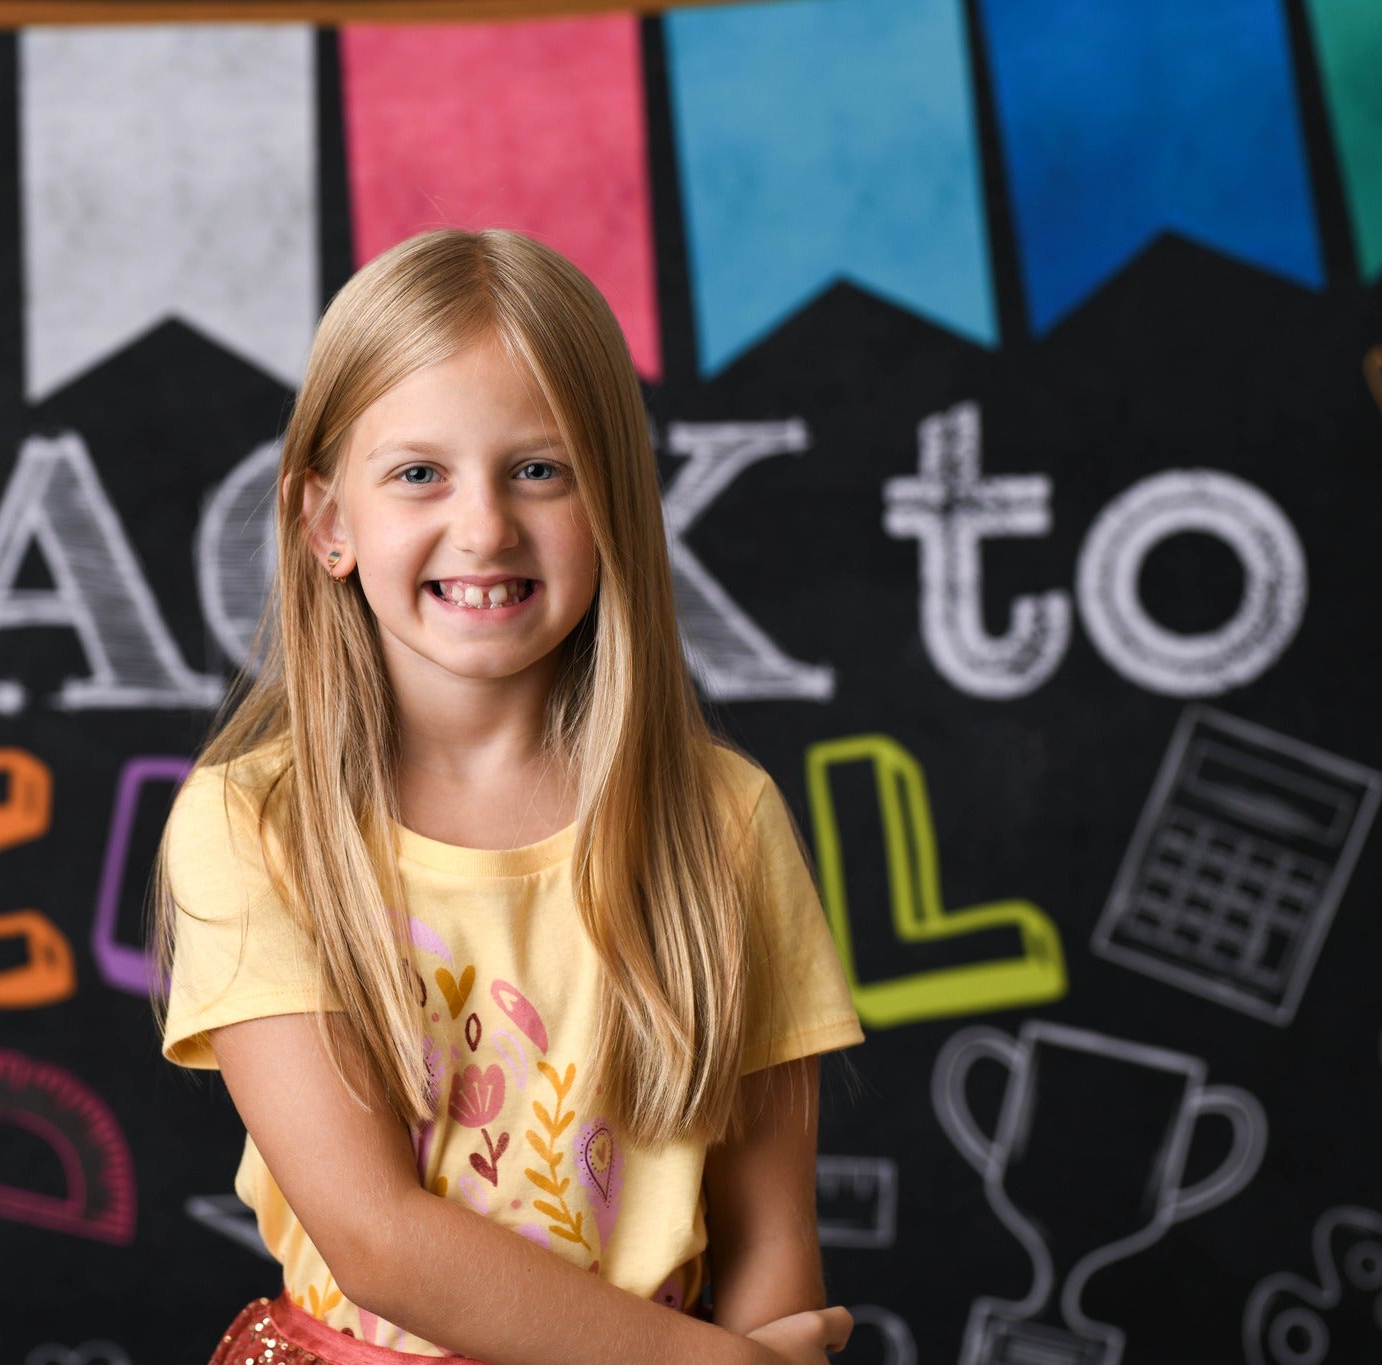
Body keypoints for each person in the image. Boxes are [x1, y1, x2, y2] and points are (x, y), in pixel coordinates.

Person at [150, 227, 865, 1365]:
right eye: (418, 473)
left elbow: (772, 1240)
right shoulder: (252, 826)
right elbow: (377, 1241)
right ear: (328, 524)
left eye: (539, 469)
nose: (482, 526)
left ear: (616, 507)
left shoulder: (723, 823)